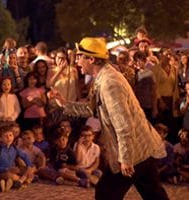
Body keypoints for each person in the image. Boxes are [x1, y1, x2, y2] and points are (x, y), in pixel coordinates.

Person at [52, 37, 168, 200]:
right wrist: (64, 103)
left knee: (106, 193)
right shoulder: (103, 76)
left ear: (91, 59)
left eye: (80, 56)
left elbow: (124, 124)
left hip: (134, 150)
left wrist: (126, 159)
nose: (77, 61)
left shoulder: (109, 83)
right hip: (141, 147)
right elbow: (90, 108)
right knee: (153, 194)